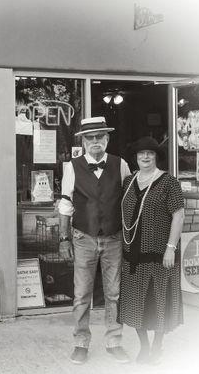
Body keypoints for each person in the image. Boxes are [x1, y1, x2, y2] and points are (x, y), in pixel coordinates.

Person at [58, 117, 131, 364]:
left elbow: (130, 201)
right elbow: (66, 204)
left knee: (114, 293)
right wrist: (63, 238)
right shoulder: (72, 166)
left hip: (113, 238)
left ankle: (114, 341)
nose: (95, 141)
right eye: (90, 137)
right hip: (83, 237)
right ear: (83, 141)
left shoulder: (120, 164)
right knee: (81, 294)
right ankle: (80, 343)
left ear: (107, 139)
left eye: (100, 136)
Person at [118, 136, 184, 364]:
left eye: (150, 153)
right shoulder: (128, 182)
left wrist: (171, 248)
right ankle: (144, 347)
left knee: (158, 301)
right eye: (141, 154)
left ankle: (157, 346)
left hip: (159, 254)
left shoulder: (169, 182)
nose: (145, 157)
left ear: (156, 157)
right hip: (132, 255)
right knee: (136, 304)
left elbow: (178, 215)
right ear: (135, 158)